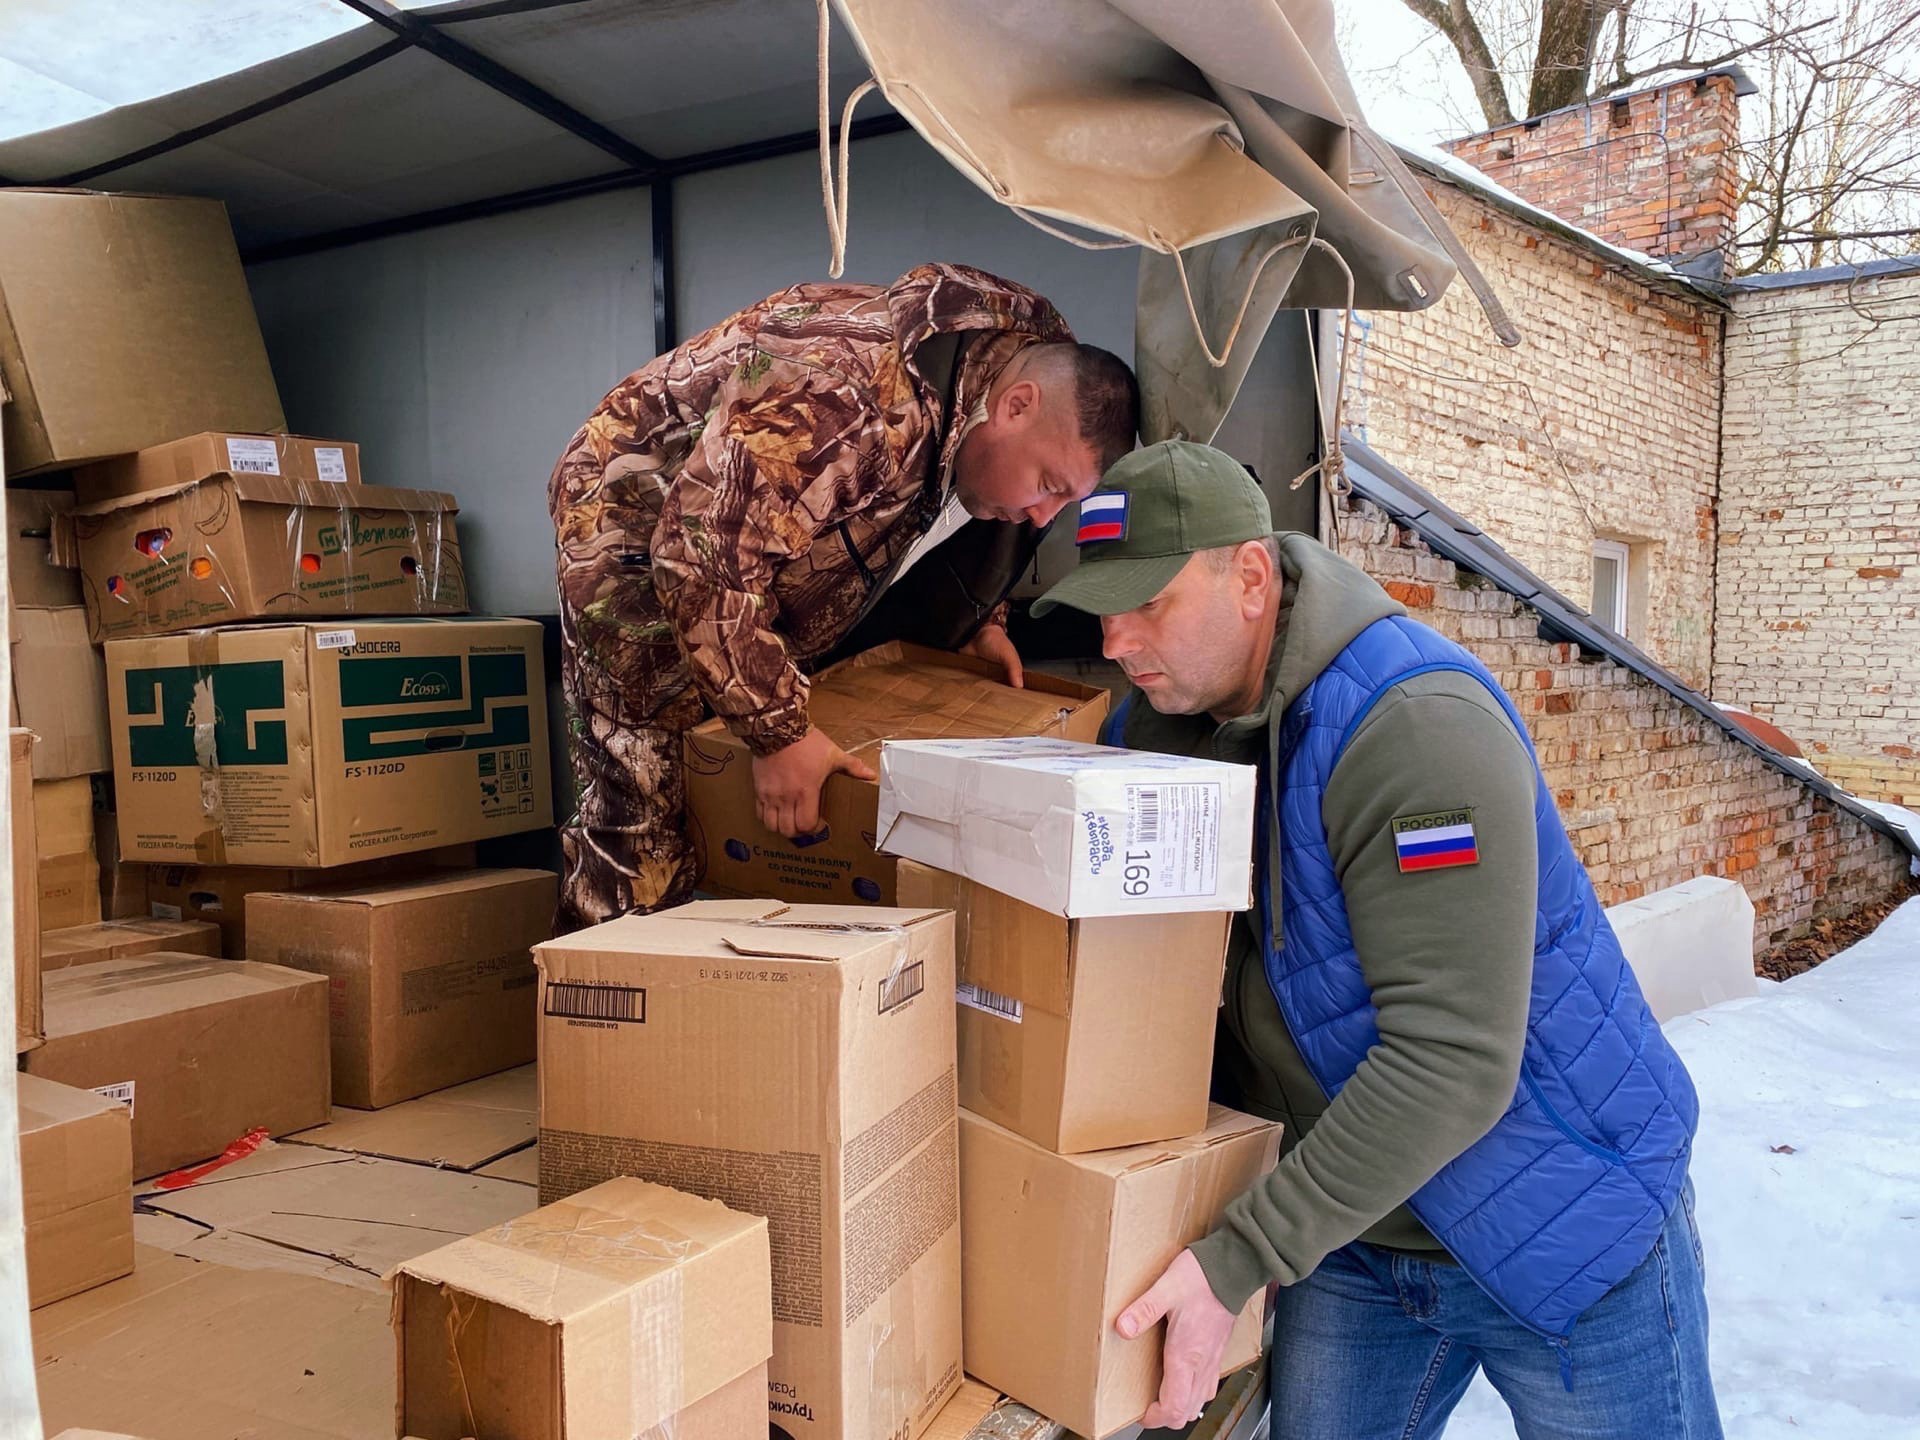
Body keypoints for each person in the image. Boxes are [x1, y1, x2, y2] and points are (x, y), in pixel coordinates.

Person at [1029, 440, 1720, 1438]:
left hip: (1557, 1217)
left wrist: (1240, 1255)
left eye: (1149, 602)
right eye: (1102, 610)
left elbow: (1452, 1060)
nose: (1117, 640)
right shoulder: (1159, 730)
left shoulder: (1414, 729)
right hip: (1353, 1231)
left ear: (1252, 578)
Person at [548, 261, 1138, 927]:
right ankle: (608, 976)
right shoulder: (846, 396)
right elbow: (700, 551)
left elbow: (943, 517)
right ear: (1016, 405)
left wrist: (982, 618)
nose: (1042, 516)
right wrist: (778, 734)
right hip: (632, 518)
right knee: (646, 807)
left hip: (752, 546)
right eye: (1050, 485)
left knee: (743, 764)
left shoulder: (999, 382)